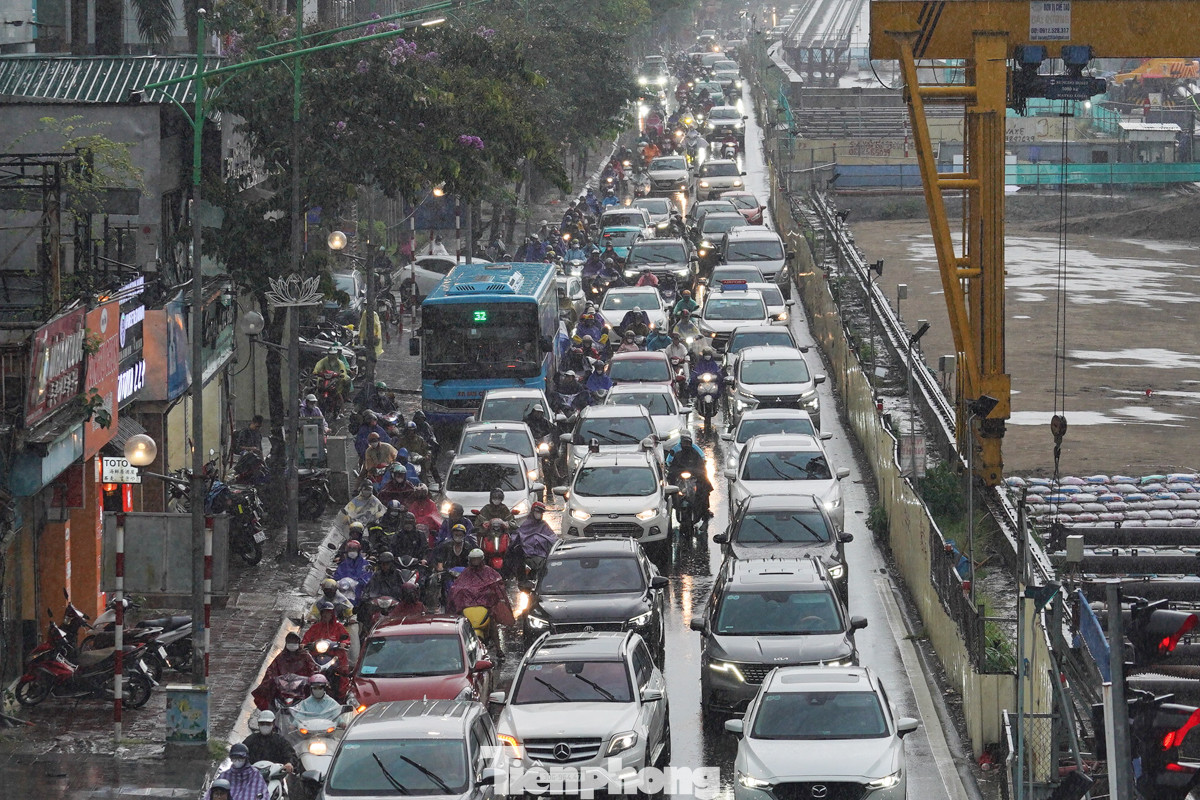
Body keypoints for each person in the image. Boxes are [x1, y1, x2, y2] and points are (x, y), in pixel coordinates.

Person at [447, 549, 513, 649]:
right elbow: (457, 586)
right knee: (459, 621)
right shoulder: (466, 573)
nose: (476, 562)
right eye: (474, 560)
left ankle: (498, 648)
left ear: (482, 559)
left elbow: (497, 582)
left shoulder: (489, 572)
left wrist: (492, 593)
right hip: (468, 605)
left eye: (477, 559)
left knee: (491, 622)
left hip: (485, 605)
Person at [252, 632, 317, 710]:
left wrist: (311, 680)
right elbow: (271, 670)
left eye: (294, 641)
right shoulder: (281, 657)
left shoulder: (305, 656)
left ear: (298, 642)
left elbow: (313, 669)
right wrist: (271, 680)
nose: (292, 644)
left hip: (301, 688)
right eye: (290, 641)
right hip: (283, 688)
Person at [302, 601, 351, 700]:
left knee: (342, 672)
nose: (326, 615)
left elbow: (346, 638)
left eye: (328, 612)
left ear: (332, 614)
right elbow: (306, 639)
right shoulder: (315, 627)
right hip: (315, 656)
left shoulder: (339, 627)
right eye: (324, 612)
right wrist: (303, 644)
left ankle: (342, 694)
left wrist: (343, 643)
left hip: (334, 656)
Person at [665, 433, 712, 517]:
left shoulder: (695, 454)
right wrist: (672, 473)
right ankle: (668, 507)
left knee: (704, 487)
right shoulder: (677, 454)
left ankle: (705, 511)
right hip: (680, 478)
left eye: (688, 443)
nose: (686, 445)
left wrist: (699, 473)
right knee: (669, 489)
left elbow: (701, 466)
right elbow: (672, 466)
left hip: (694, 477)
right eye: (684, 443)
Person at [511, 502, 558, 579]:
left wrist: (540, 539)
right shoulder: (525, 524)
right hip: (527, 555)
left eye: (540, 513)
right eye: (537, 512)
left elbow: (552, 537)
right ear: (532, 512)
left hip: (542, 554)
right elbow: (518, 535)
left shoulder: (543, 525)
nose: (538, 514)